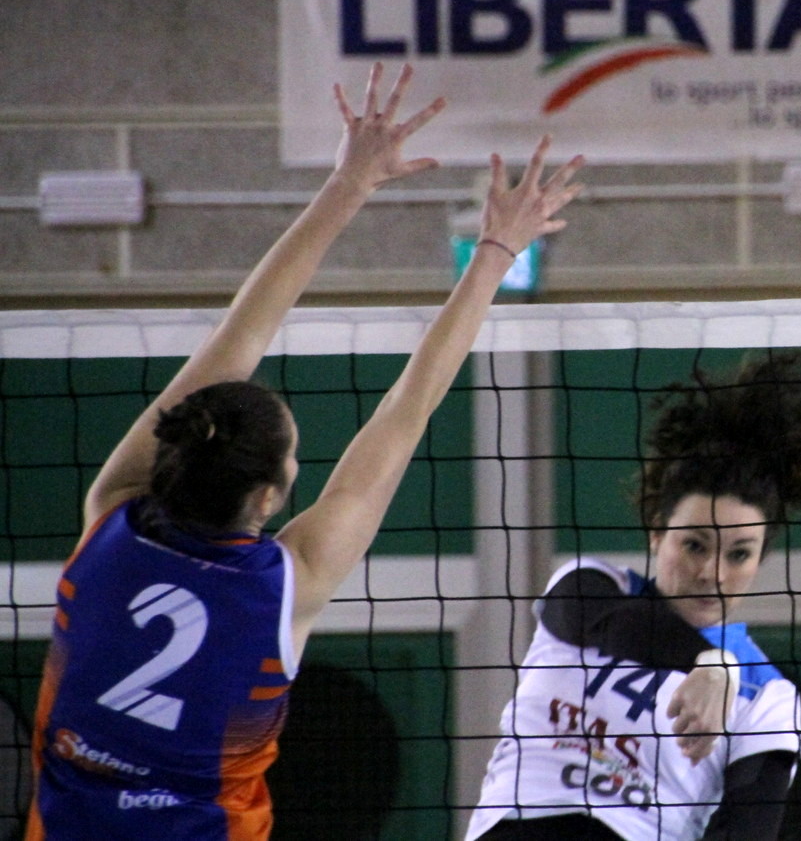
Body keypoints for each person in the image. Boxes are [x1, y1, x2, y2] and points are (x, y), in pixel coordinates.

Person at [26, 63, 585, 840]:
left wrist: (348, 184)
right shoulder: (284, 588)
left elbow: (240, 334)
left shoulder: (110, 521)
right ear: (267, 497)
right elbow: (406, 411)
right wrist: (495, 250)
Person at [465, 351, 801, 841]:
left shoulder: (767, 696)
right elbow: (618, 628)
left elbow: (747, 828)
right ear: (657, 533)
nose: (712, 573)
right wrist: (710, 662)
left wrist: (724, 666)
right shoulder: (590, 588)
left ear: (761, 558)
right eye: (695, 545)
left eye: (739, 554)